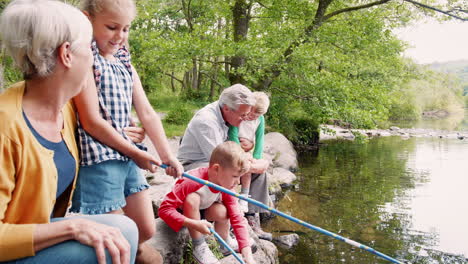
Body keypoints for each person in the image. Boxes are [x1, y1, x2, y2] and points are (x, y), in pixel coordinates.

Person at [0, 1, 138, 263]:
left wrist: (124, 133)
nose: (93, 56)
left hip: (35, 227)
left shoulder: (64, 108)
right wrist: (72, 227)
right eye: (89, 47)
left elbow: (97, 122)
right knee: (108, 246)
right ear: (67, 54)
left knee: (126, 229)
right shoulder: (5, 127)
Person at [69, 0, 183, 263]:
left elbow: (147, 113)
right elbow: (91, 122)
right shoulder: (86, 59)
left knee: (145, 228)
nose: (120, 36)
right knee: (116, 238)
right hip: (98, 160)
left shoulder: (123, 60)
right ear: (88, 20)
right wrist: (136, 151)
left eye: (126, 29)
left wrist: (167, 155)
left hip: (127, 157)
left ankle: (135, 250)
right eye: (112, 27)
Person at [178, 84, 272, 240]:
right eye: (242, 115)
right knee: (250, 171)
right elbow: (224, 162)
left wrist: (257, 162)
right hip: (198, 165)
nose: (244, 119)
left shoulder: (227, 114)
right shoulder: (207, 122)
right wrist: (258, 165)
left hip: (219, 162)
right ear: (228, 109)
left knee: (260, 176)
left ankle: (251, 217)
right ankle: (235, 220)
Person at [159, 141, 256, 264]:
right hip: (181, 212)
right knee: (192, 199)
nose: (238, 182)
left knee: (223, 211)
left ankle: (225, 244)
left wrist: (246, 253)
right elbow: (164, 209)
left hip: (202, 210)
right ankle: (199, 246)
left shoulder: (226, 185)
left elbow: (237, 217)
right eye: (235, 176)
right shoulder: (191, 181)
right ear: (216, 169)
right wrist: (193, 223)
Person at [228, 92, 270, 214]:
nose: (253, 117)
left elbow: (260, 138)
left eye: (258, 115)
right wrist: (240, 151)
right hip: (234, 148)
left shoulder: (260, 119)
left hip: (247, 151)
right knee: (240, 167)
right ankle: (233, 199)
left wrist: (256, 157)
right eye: (252, 113)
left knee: (253, 169)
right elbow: (233, 133)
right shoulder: (240, 115)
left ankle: (247, 202)